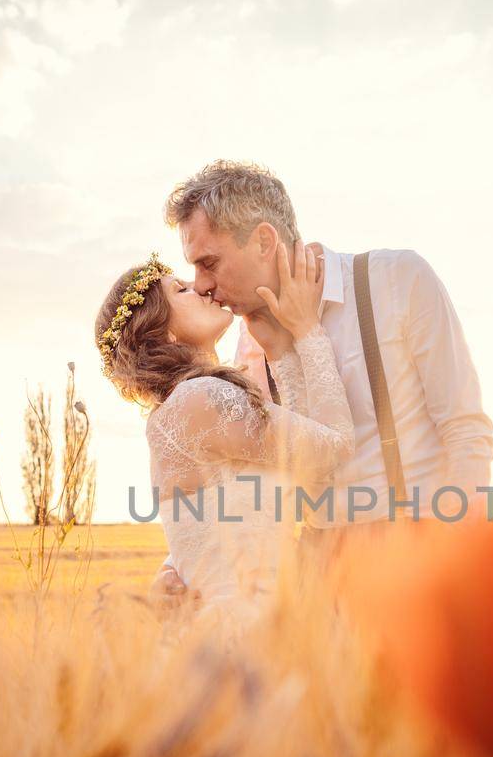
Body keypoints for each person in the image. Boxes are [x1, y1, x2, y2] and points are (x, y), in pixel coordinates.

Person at [150, 160, 493, 607]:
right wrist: (175, 565)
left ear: (263, 241)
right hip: (316, 573)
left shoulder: (397, 280)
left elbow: (466, 429)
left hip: (419, 550)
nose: (201, 285)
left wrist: (461, 559)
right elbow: (237, 474)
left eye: (209, 262)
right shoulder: (250, 339)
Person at [96, 242, 352, 614]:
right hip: (244, 633)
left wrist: (280, 352)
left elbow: (214, 521)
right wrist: (307, 331)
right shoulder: (202, 400)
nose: (199, 288)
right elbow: (335, 449)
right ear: (163, 333)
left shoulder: (177, 409)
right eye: (180, 290)